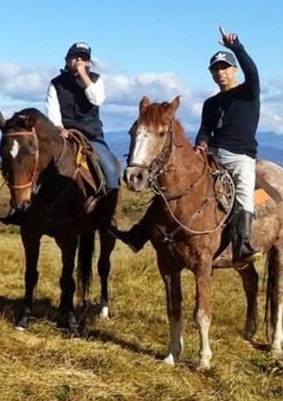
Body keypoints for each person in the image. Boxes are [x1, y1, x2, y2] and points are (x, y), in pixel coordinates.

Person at [115, 27, 262, 267]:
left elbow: (253, 73)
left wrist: (236, 47)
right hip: (212, 154)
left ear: (234, 70)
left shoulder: (248, 93)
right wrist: (202, 143)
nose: (220, 73)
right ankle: (139, 233)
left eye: (224, 68)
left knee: (244, 192)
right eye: (215, 70)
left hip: (239, 155)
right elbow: (205, 128)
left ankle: (242, 244)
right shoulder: (211, 103)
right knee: (173, 187)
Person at [39, 41, 118, 225]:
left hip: (92, 135)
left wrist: (83, 75)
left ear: (88, 62)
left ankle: (109, 215)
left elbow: (97, 99)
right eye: (75, 57)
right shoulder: (56, 84)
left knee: (110, 168)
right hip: (63, 134)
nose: (79, 60)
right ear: (67, 60)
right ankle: (25, 209)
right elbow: (52, 109)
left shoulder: (96, 80)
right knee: (35, 162)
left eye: (83, 58)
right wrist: (58, 128)